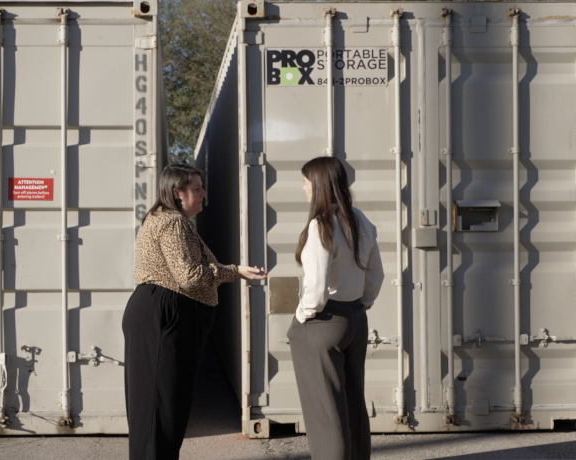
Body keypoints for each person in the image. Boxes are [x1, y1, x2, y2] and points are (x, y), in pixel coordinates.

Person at [123, 164, 267, 460]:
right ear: (177, 193)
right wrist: (234, 271)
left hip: (158, 312)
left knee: (159, 409)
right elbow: (188, 275)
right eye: (197, 188)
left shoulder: (163, 218)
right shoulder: (174, 222)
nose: (203, 194)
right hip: (164, 314)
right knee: (161, 409)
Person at [287, 156, 384, 460]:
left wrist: (301, 316)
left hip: (323, 322)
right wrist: (361, 304)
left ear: (318, 185)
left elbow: (315, 288)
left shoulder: (320, 226)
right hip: (355, 319)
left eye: (305, 182)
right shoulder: (361, 221)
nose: (303, 188)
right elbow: (376, 275)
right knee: (354, 405)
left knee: (325, 415)